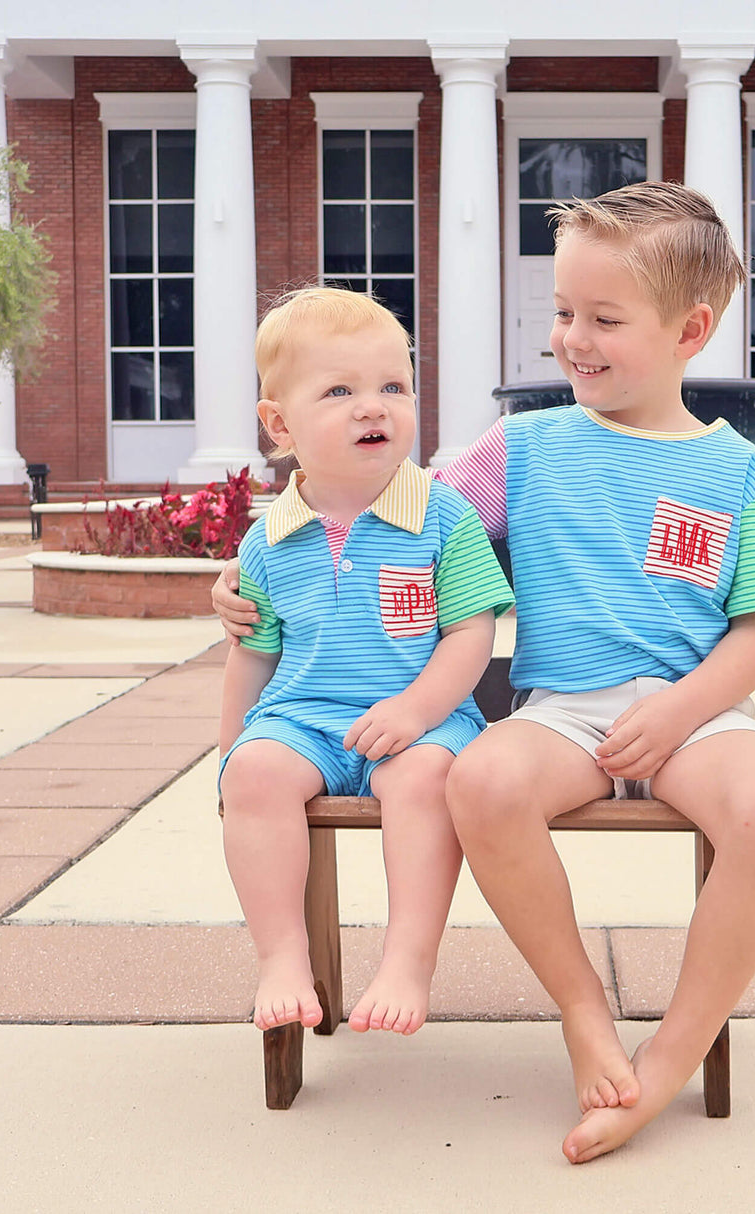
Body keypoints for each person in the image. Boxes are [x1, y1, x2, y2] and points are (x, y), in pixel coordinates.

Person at [213, 182, 755, 1162]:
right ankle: (582, 1010)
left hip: (697, 716)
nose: (572, 338)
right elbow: (390, 517)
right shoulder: (522, 448)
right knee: (482, 779)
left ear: (689, 330)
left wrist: (679, 712)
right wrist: (250, 574)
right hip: (563, 712)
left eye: (603, 318)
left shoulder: (741, 472)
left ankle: (670, 1052)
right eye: (564, 312)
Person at [218, 286, 512, 1040]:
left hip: (426, 721)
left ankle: (407, 961)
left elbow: (470, 634)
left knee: (426, 780)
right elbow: (252, 656)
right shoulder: (267, 540)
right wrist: (231, 756)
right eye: (339, 391)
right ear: (280, 425)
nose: (373, 407)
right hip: (303, 722)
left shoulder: (443, 516)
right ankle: (282, 958)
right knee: (255, 774)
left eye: (394, 387)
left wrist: (417, 710)